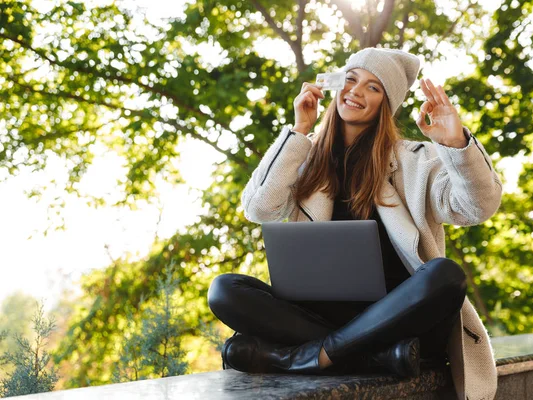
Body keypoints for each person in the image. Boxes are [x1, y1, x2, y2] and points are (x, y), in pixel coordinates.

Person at [207, 47, 502, 400]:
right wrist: (300, 130)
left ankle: (308, 355)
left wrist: (455, 142)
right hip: (323, 315)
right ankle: (371, 358)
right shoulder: (305, 157)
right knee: (224, 290)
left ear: (386, 104)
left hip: (401, 322)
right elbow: (259, 208)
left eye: (373, 87)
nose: (356, 91)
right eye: (350, 79)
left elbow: (476, 207)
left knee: (445, 275)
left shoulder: (416, 159)